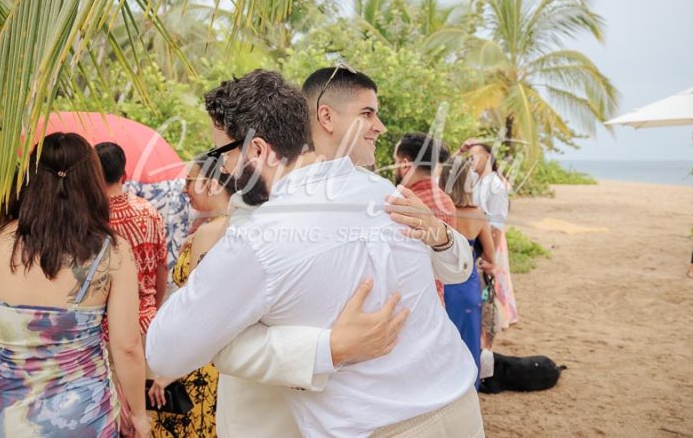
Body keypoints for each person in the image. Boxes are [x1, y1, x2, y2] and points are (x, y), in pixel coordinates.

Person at [147, 70, 483, 437]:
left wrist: (323, 349)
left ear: (257, 150)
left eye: (222, 152)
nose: (223, 166)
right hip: (459, 406)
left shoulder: (259, 240)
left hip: (378, 426)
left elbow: (164, 352)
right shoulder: (378, 189)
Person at [0, 133, 148, 437]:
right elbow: (127, 348)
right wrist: (139, 414)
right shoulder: (111, 251)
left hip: (9, 418)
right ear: (91, 181)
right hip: (85, 419)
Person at [148, 155, 235, 437]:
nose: (185, 189)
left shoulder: (209, 233)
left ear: (210, 184)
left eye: (189, 181)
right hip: (219, 361)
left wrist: (171, 370)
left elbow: (196, 310)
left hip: (196, 363)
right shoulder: (233, 227)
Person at [95, 142, 168, 333]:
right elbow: (162, 267)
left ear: (92, 176)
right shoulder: (149, 211)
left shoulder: (90, 218)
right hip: (147, 324)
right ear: (124, 176)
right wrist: (152, 309)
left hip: (105, 330)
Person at [439, 156, 496, 384]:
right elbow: (491, 257)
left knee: (441, 343)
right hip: (467, 286)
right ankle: (468, 389)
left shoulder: (437, 213)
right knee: (468, 342)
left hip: (441, 286)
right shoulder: (477, 214)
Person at [393, 132, 458, 302]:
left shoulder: (402, 203)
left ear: (405, 164)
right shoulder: (446, 201)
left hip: (409, 301)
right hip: (437, 298)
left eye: (395, 162)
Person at [462, 141, 518, 327]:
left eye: (474, 156)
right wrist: (461, 150)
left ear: (487, 157)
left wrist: (490, 255)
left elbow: (496, 225)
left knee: (490, 288)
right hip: (477, 239)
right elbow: (446, 170)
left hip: (490, 243)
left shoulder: (496, 185)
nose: (470, 160)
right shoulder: (475, 178)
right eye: (468, 157)